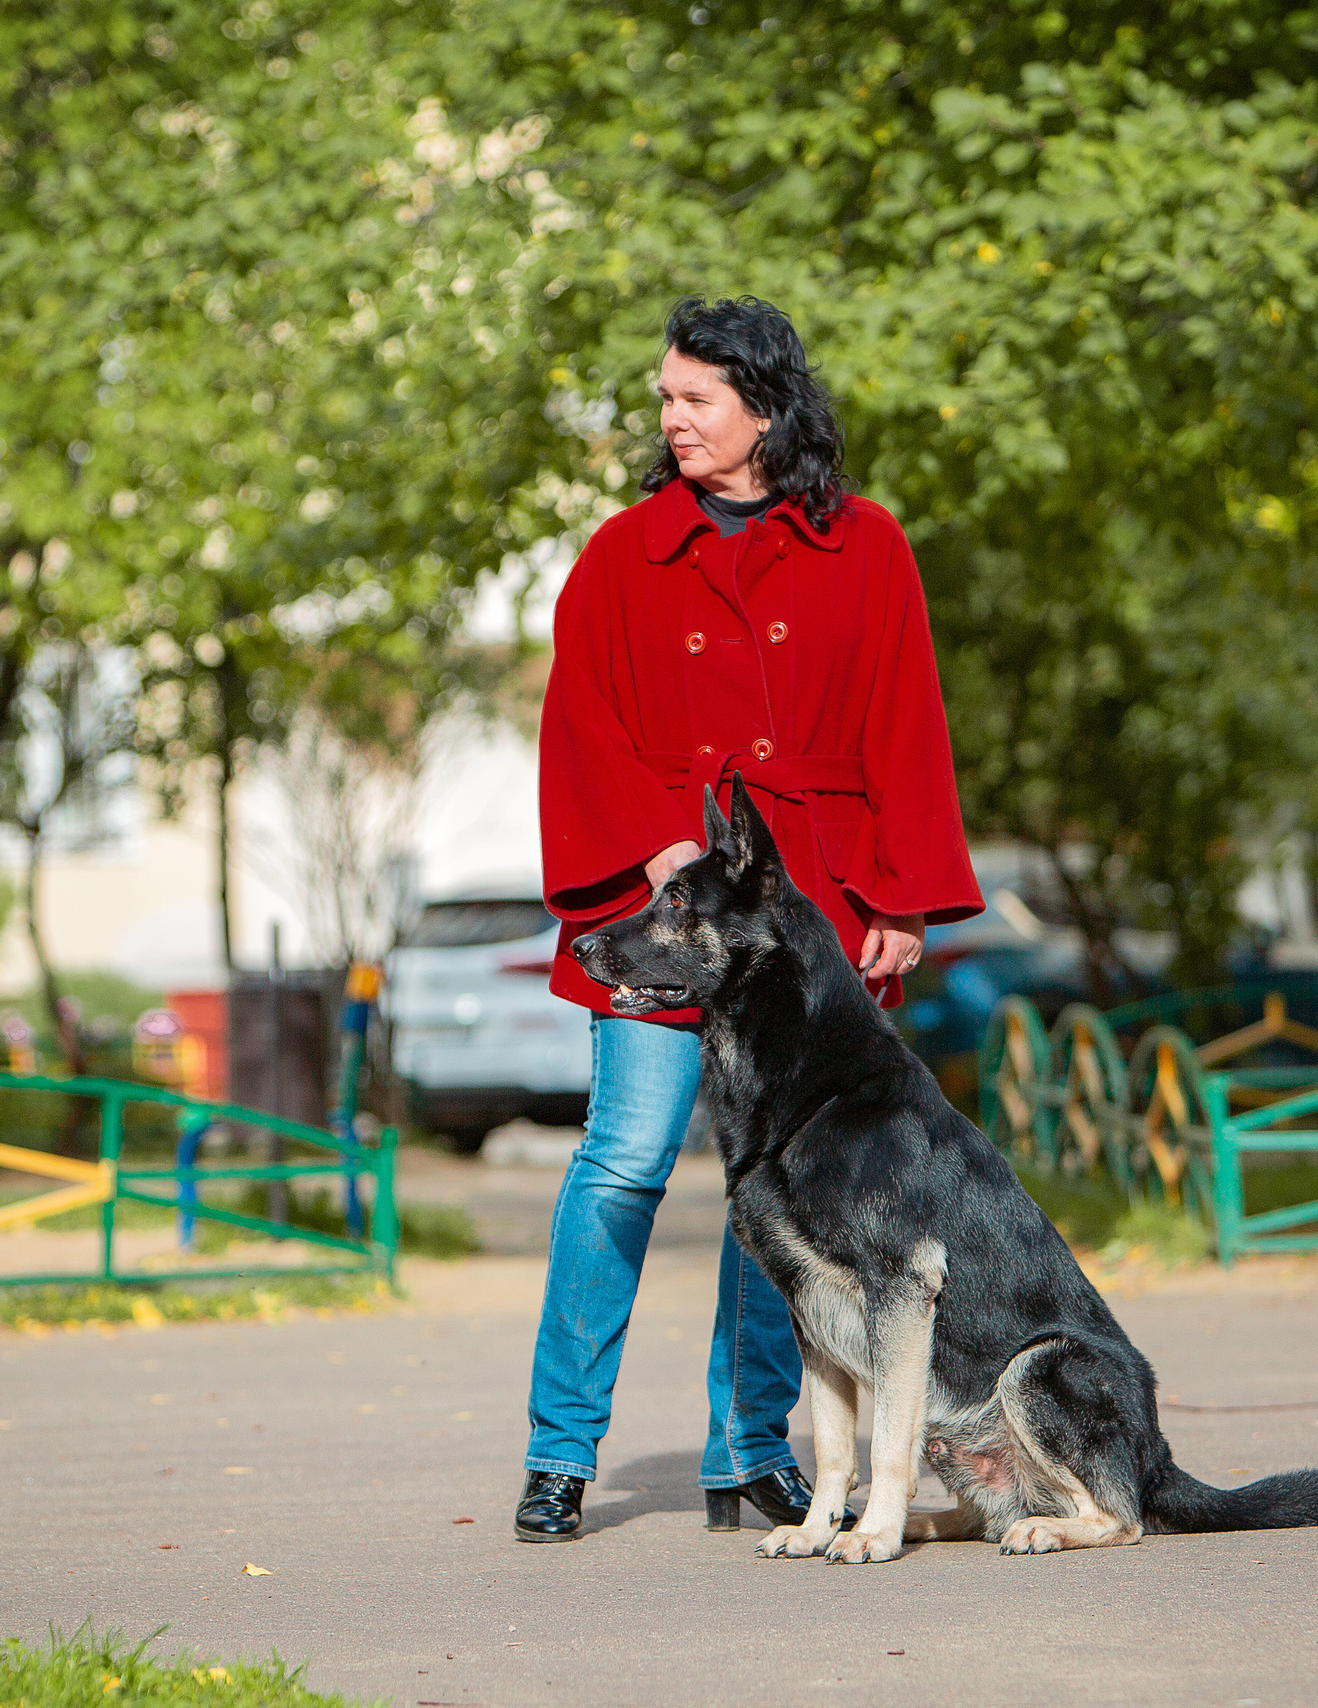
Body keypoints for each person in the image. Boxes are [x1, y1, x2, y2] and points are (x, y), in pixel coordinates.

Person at [516, 295, 984, 1543]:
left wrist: (899, 894)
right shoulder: (621, 555)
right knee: (623, 1159)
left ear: (764, 406)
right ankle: (559, 1456)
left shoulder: (867, 545)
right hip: (655, 906)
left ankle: (749, 1452)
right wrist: (660, 845)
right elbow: (580, 728)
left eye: (694, 399)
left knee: (777, 1188)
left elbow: (904, 721)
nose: (669, 418)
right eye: (664, 398)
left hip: (811, 913)